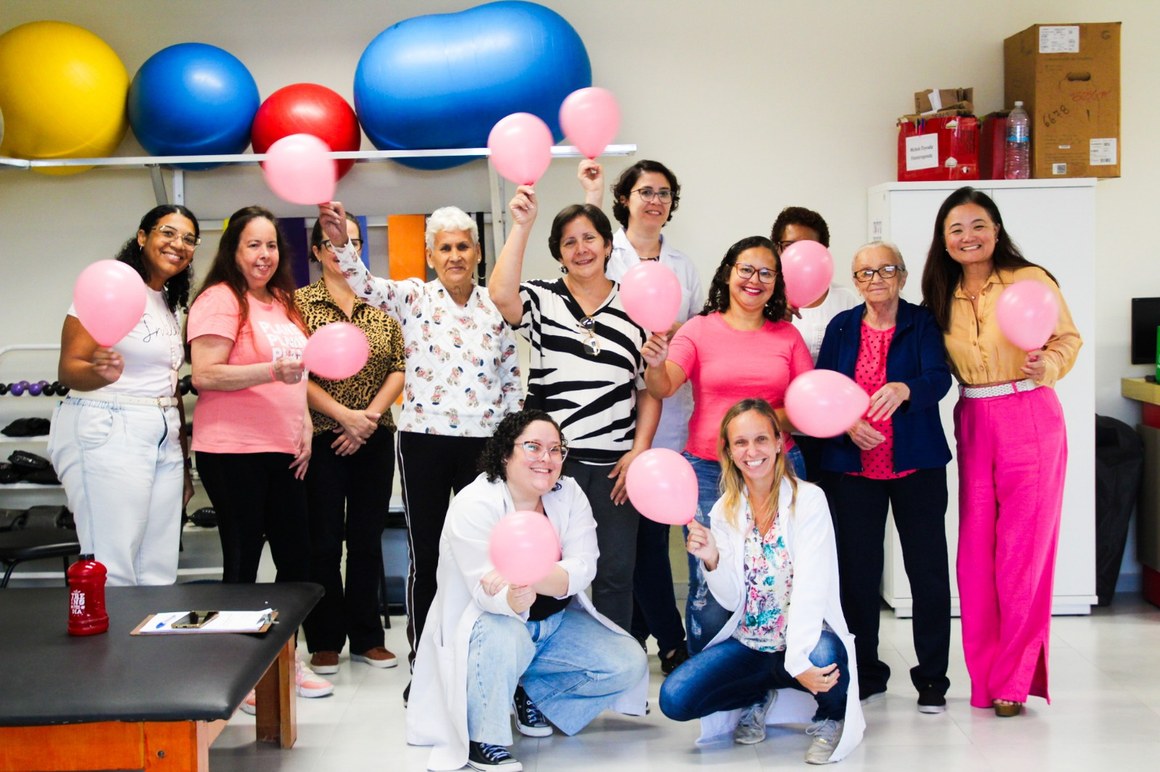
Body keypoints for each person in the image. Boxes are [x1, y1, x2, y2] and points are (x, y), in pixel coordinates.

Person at [320, 201, 523, 677]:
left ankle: (483, 655)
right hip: (424, 442)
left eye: (463, 246)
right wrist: (340, 243)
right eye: (445, 247)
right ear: (430, 256)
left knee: (485, 552)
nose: (455, 255)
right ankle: (426, 659)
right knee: (427, 552)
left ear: (477, 253)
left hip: (486, 446)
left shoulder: (498, 305)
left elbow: (513, 379)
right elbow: (364, 284)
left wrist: (513, 442)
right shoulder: (413, 297)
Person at [406, 409, 648, 772]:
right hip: (492, 626)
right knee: (506, 635)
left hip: (553, 625)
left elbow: (584, 566)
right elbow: (484, 587)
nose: (546, 459)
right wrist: (515, 592)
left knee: (627, 663)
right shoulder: (475, 503)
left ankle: (528, 692)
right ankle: (483, 740)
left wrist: (528, 576)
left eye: (555, 449)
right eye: (533, 447)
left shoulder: (569, 493)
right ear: (506, 453)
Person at [920, 186, 1082, 718]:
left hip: (1029, 414)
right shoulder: (938, 293)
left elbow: (1067, 340)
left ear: (996, 229)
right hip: (973, 418)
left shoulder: (1029, 279)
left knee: (1022, 552)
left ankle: (1013, 680)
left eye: (978, 225)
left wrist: (1048, 367)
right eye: (956, 229)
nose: (969, 237)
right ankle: (984, 679)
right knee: (975, 558)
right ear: (944, 241)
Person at [489, 187, 661, 634]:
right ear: (559, 253)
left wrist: (639, 451)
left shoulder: (637, 305)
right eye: (569, 242)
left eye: (590, 238)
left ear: (608, 244)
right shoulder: (543, 298)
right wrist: (522, 225)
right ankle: (549, 675)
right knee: (546, 572)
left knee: (614, 574)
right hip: (550, 466)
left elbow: (649, 389)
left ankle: (615, 677)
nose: (581, 249)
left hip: (614, 466)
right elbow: (500, 293)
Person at [658, 399, 864, 765]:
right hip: (752, 641)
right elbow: (732, 596)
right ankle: (758, 692)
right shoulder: (724, 509)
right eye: (740, 443)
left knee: (826, 657)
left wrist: (799, 658)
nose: (751, 452)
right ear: (728, 451)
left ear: (778, 443)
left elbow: (812, 587)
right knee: (675, 699)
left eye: (760, 440)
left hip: (806, 635)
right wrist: (712, 559)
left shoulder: (810, 500)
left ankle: (830, 717)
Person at [188, 205, 332, 701]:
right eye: (253, 244)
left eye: (271, 245)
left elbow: (302, 374)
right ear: (233, 249)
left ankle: (284, 664)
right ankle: (237, 674)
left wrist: (307, 425)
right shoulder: (219, 299)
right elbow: (205, 374)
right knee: (244, 564)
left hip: (285, 451)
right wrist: (272, 372)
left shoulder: (282, 302)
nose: (264, 254)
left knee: (297, 563)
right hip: (233, 453)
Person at [641, 235, 812, 652]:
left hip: (776, 469)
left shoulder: (787, 335)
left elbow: (806, 411)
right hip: (708, 468)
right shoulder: (699, 328)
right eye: (746, 270)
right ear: (728, 274)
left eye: (766, 272)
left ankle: (775, 668)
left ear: (777, 283)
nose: (755, 280)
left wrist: (755, 429)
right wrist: (655, 363)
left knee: (776, 570)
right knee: (709, 572)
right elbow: (663, 387)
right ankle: (709, 673)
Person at [816, 242, 953, 712]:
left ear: (902, 274)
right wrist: (845, 422)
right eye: (865, 273)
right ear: (854, 281)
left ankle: (932, 678)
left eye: (886, 270)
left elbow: (940, 377)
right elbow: (823, 388)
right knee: (858, 577)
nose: (876, 279)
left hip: (916, 465)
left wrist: (905, 388)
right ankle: (867, 672)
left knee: (928, 575)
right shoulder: (841, 326)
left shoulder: (922, 322)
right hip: (854, 470)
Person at [580, 158, 704, 673]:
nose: (655, 200)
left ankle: (644, 635)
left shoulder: (684, 265)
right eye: (645, 191)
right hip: (611, 408)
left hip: (668, 405)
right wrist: (586, 190)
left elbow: (694, 334)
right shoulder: (610, 254)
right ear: (625, 198)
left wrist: (670, 333)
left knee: (650, 533)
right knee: (628, 540)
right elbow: (585, 280)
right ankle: (666, 639)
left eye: (664, 193)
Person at [49, 205, 199, 586]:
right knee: (113, 560)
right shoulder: (112, 287)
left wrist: (181, 461)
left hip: (161, 433)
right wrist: (99, 372)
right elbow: (69, 370)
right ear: (143, 236)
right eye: (168, 232)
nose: (178, 244)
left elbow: (169, 385)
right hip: (109, 423)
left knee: (158, 564)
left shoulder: (165, 301)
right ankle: (108, 647)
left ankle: (150, 646)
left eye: (188, 239)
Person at [296, 212, 406, 674]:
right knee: (322, 542)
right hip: (321, 437)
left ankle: (366, 636)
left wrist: (368, 419)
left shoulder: (381, 300)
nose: (345, 250)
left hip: (375, 436)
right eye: (335, 243)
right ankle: (324, 639)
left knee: (366, 540)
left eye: (355, 243)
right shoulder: (298, 304)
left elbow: (400, 363)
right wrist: (343, 417)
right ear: (318, 251)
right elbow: (295, 371)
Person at [773, 206, 858, 482]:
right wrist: (771, 319)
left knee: (836, 517)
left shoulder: (848, 301)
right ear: (777, 248)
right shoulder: (761, 305)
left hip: (838, 433)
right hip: (781, 432)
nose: (799, 254)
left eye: (810, 246)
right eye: (790, 245)